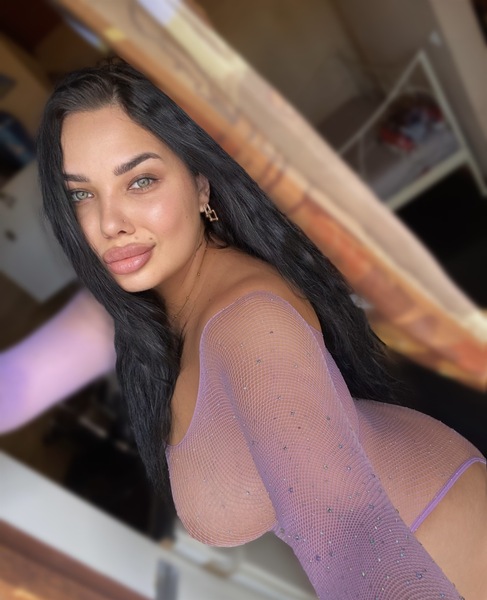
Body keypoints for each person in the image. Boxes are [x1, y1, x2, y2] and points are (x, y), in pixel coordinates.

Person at [32, 59, 485, 599]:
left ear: (201, 185)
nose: (110, 223)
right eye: (82, 194)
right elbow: (18, 383)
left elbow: (348, 535)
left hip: (434, 546)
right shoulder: (146, 304)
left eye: (142, 181)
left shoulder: (250, 324)